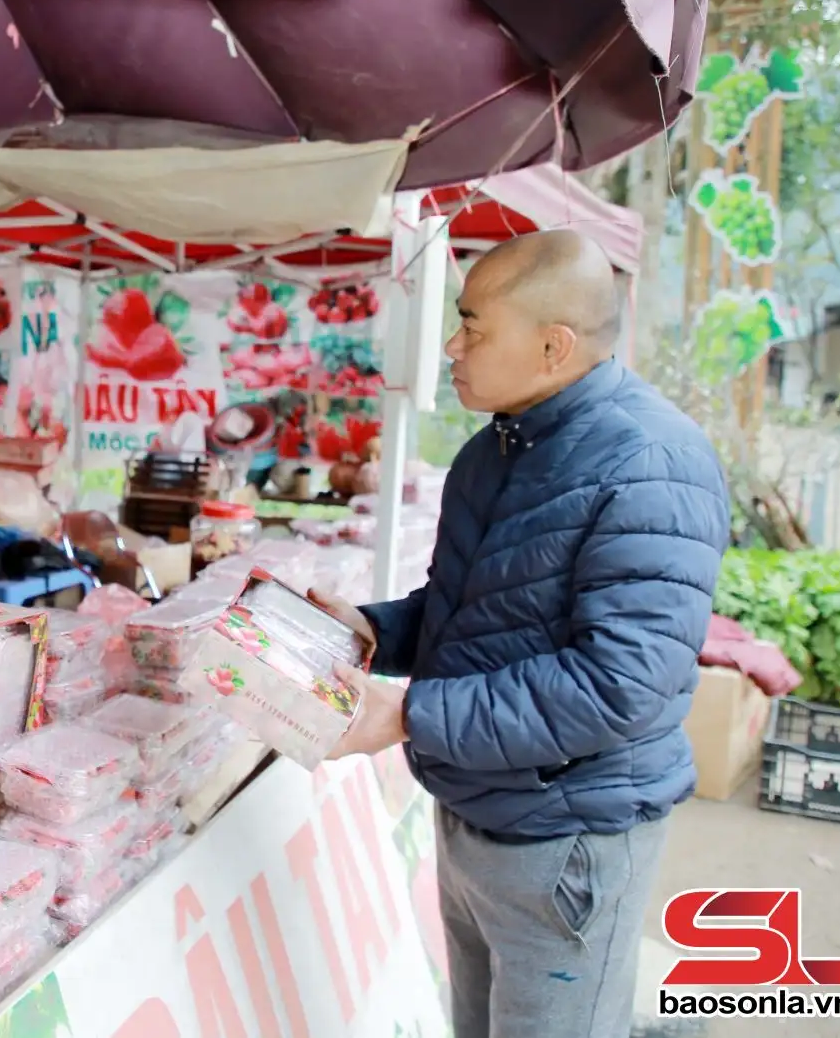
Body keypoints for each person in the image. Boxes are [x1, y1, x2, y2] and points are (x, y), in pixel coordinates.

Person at [312, 230, 728, 1038]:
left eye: (472, 325)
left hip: (568, 834)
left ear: (552, 344)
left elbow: (618, 686)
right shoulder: (494, 448)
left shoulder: (651, 461)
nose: (452, 347)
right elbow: (469, 609)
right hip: (475, 808)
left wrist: (407, 714)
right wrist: (371, 630)